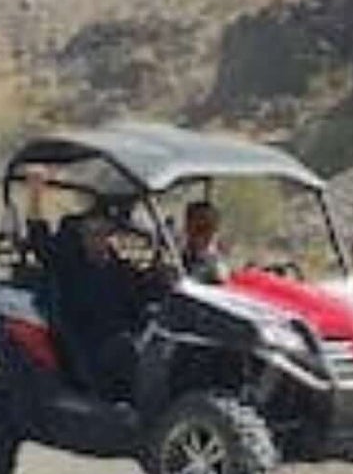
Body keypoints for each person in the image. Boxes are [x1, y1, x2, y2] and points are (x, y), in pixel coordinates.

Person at [22, 169, 169, 400]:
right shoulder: (70, 265)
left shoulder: (120, 270)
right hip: (87, 347)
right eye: (91, 233)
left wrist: (163, 277)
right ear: (81, 235)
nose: (98, 239)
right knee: (129, 349)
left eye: (104, 233)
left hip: (128, 340)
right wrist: (35, 194)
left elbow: (148, 294)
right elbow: (39, 241)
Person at [182, 199, 229, 285]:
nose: (201, 224)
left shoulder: (216, 265)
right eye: (196, 221)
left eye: (207, 224)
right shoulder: (175, 255)